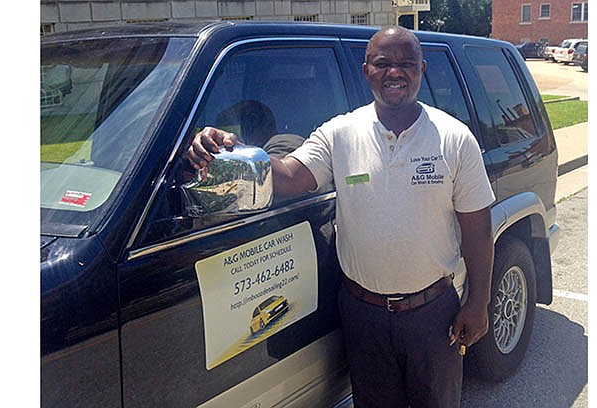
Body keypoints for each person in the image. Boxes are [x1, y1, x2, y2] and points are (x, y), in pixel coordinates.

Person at [188, 25, 495, 407]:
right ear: (366, 70)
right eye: (383, 63)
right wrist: (226, 149)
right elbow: (292, 176)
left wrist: (478, 302)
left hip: (432, 312)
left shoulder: (453, 137)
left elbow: (478, 226)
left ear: (421, 68)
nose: (394, 73)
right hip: (362, 312)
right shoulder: (340, 133)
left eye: (406, 64)